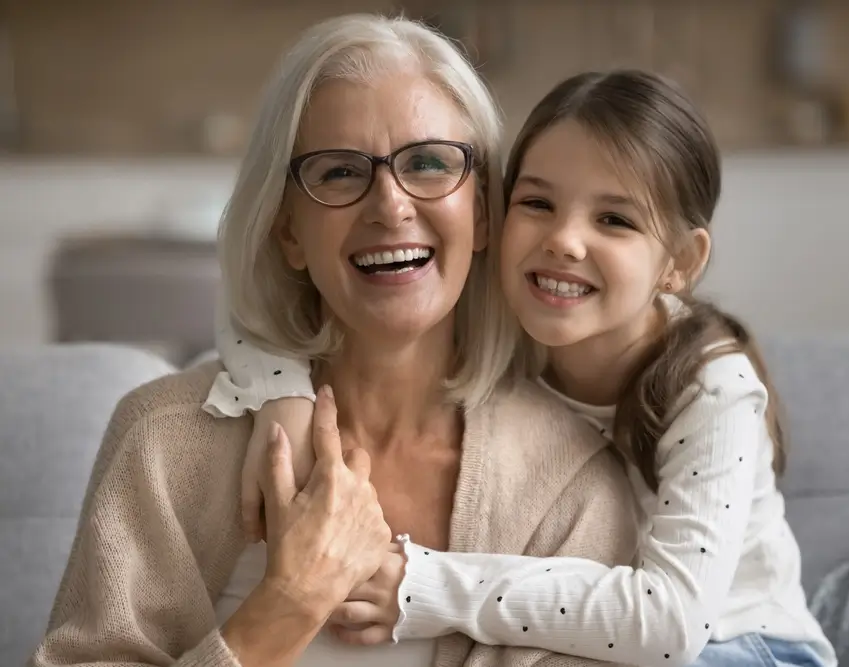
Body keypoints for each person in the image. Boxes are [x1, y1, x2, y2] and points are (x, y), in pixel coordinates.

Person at [30, 14, 638, 667]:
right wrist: (289, 601)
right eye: (341, 172)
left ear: (484, 212)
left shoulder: (569, 482)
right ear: (288, 230)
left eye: (430, 162)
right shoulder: (163, 441)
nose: (389, 204)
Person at [219, 70, 840, 667]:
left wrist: (428, 585)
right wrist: (284, 400)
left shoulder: (713, 389)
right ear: (497, 212)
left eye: (614, 220)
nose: (564, 241)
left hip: (745, 647)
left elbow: (670, 623)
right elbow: (253, 312)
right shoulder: (518, 311)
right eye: (538, 203)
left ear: (679, 260)